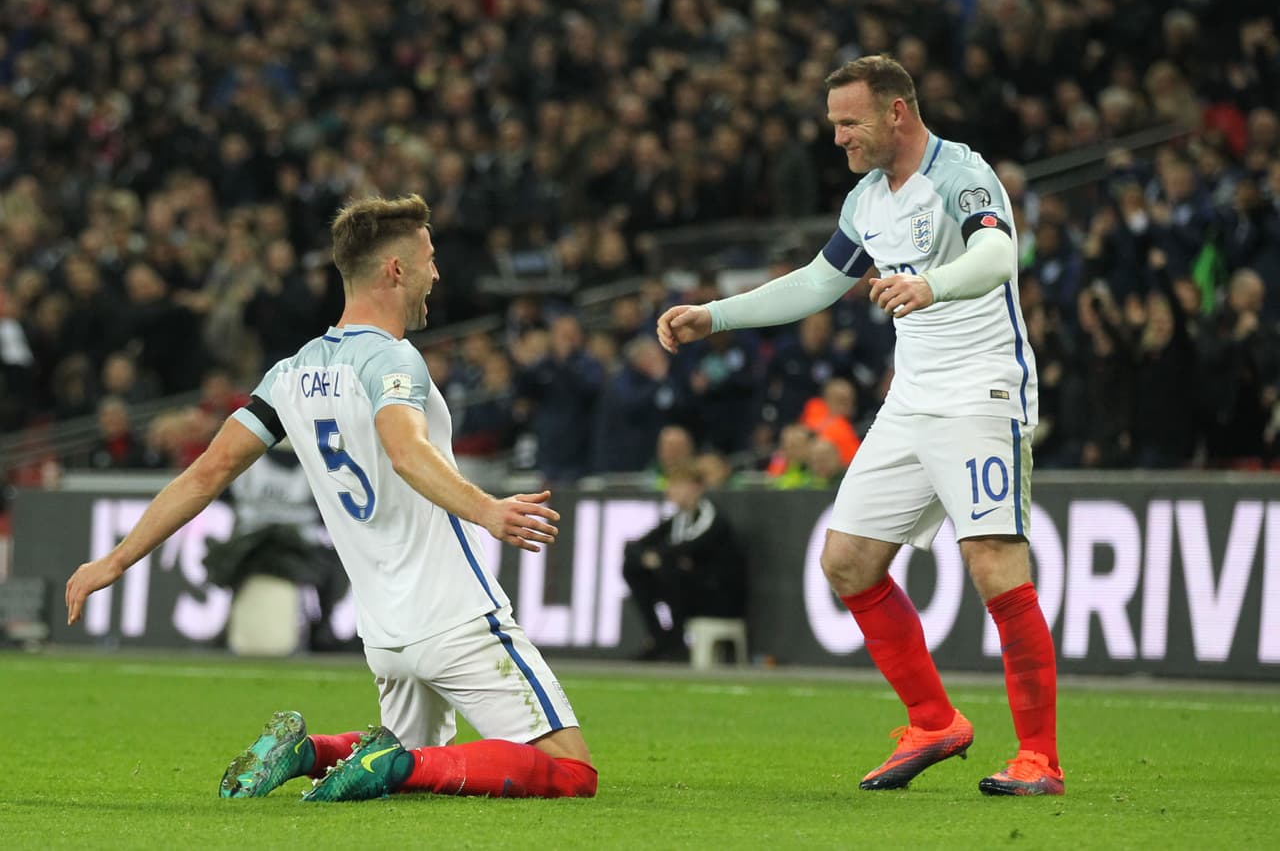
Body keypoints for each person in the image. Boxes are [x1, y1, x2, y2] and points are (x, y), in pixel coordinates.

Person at [66, 194, 596, 803]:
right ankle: (390, 765)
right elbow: (405, 450)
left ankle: (310, 751)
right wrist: (489, 510)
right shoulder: (393, 359)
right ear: (395, 269)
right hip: (453, 612)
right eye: (428, 259)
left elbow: (205, 474)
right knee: (570, 772)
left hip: (385, 631)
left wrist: (115, 560)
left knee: (417, 758)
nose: (436, 274)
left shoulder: (290, 372)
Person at [657, 56, 1060, 796]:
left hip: (981, 391)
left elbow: (1000, 253)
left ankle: (1039, 757)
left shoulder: (960, 173)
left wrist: (932, 284)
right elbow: (819, 281)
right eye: (835, 123)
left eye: (850, 122)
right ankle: (934, 722)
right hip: (912, 399)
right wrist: (716, 314)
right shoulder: (867, 198)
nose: (839, 137)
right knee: (846, 561)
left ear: (896, 112)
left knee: (994, 563)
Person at [621, 462, 747, 661]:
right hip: (690, 588)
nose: (670, 490)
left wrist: (661, 557)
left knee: (667, 569)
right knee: (633, 568)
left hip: (717, 596)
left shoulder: (711, 518)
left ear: (696, 488)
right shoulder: (678, 519)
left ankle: (676, 640)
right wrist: (651, 557)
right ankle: (659, 636)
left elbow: (690, 547)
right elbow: (634, 547)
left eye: (676, 485)